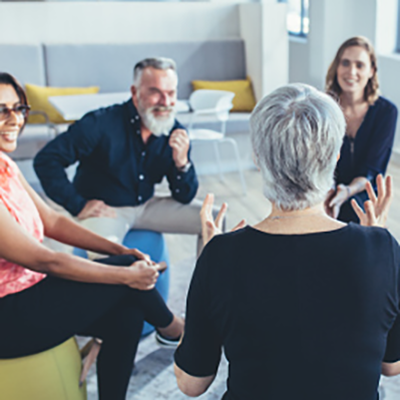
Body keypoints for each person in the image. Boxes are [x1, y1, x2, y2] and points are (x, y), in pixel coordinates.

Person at [173, 84, 400, 400]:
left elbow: (191, 383)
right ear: (334, 157)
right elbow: (392, 364)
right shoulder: (382, 250)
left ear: (257, 157)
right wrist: (376, 248)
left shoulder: (221, 256)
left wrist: (210, 269)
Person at [0, 72, 184, 400]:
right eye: (2, 110)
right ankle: (172, 328)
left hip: (29, 294)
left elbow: (53, 221)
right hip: (8, 316)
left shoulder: (5, 165)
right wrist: (125, 274)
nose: (14, 119)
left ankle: (167, 331)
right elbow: (47, 259)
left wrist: (119, 249)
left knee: (127, 307)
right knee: (126, 287)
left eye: (19, 109)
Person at [34, 57, 206, 256]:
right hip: (107, 210)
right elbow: (46, 160)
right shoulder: (100, 123)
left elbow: (184, 196)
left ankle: (208, 287)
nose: (165, 102)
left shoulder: (175, 131)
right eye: (155, 92)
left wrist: (182, 163)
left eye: (170, 93)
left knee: (214, 220)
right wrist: (78, 204)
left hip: (146, 206)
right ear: (135, 92)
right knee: (108, 262)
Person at [325, 36, 398, 222]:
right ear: (337, 67)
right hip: (327, 186)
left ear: (372, 71)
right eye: (345, 63)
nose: (351, 71)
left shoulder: (386, 112)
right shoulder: (323, 107)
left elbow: (372, 169)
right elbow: (321, 160)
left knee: (357, 209)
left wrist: (346, 191)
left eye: (360, 65)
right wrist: (331, 190)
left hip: (364, 191)